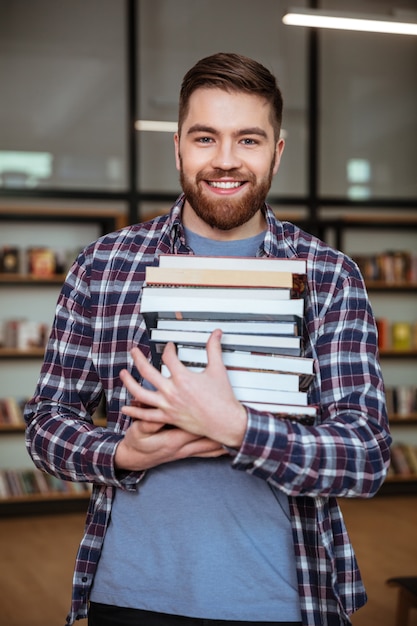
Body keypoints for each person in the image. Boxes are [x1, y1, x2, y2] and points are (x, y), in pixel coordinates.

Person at [24, 52, 391, 626]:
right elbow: (46, 423)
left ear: (277, 151)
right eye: (205, 138)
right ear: (177, 147)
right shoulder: (104, 265)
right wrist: (120, 453)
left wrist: (237, 429)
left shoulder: (330, 275)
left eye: (248, 140)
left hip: (282, 600)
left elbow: (366, 456)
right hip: (130, 594)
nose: (225, 161)